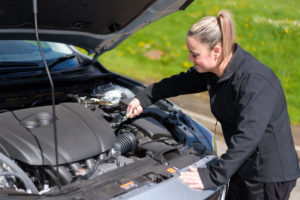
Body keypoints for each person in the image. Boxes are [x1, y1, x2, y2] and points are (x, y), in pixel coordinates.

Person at [126, 10, 300, 200]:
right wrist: (143, 98)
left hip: (267, 176)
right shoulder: (214, 71)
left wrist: (212, 176)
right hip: (243, 166)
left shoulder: (254, 81)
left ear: (217, 51)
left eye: (194, 54)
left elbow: (247, 137)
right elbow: (179, 82)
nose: (190, 59)